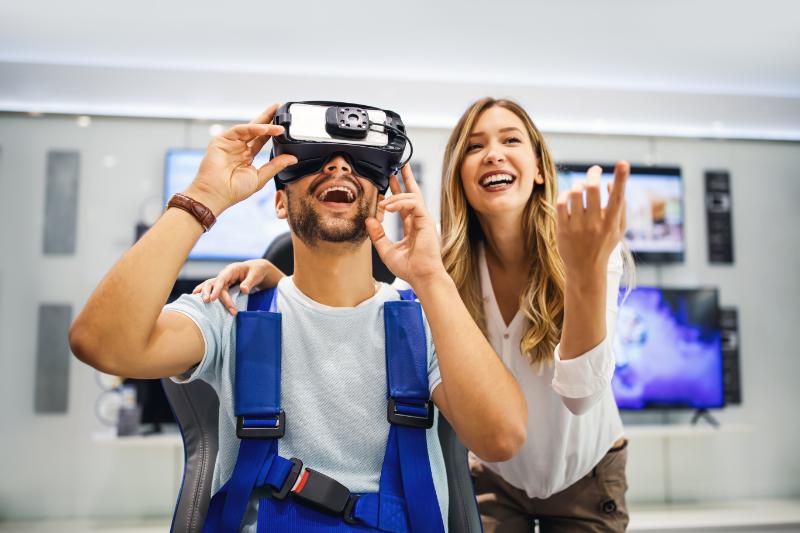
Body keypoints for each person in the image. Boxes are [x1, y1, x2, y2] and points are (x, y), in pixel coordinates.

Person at [68, 103, 527, 532]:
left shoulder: (426, 318)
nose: (338, 166)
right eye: (316, 159)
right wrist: (203, 196)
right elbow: (101, 343)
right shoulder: (233, 309)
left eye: (358, 162)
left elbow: (501, 439)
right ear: (280, 203)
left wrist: (433, 280)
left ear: (383, 200)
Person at [197, 98, 633, 532]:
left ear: (539, 168)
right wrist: (283, 283)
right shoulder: (439, 262)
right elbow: (384, 302)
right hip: (497, 478)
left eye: (511, 140)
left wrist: (585, 271)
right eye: (475, 147)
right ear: (458, 176)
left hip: (585, 474)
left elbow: (581, 393)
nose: (494, 153)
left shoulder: (586, 250)